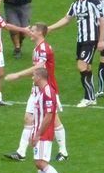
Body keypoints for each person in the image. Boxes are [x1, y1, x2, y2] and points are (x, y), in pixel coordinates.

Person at [5, 22, 68, 162]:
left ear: (40, 32)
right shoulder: (37, 48)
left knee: (54, 120)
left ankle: (63, 151)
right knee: (28, 118)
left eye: (32, 30)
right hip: (36, 89)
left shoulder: (44, 49)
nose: (29, 32)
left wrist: (18, 75)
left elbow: (39, 68)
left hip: (47, 90)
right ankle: (21, 152)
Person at [47, 0, 103, 107]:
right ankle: (92, 97)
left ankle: (88, 98)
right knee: (87, 67)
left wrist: (101, 40)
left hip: (91, 39)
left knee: (81, 65)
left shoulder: (94, 2)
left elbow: (102, 20)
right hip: (80, 40)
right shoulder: (75, 4)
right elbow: (66, 19)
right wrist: (50, 28)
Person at [25, 68, 73, 173]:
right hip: (40, 131)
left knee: (40, 163)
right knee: (40, 163)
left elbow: (49, 115)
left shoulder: (47, 92)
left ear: (40, 77)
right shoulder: (41, 92)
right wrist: (33, 133)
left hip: (44, 133)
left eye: (34, 76)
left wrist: (38, 134)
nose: (32, 78)